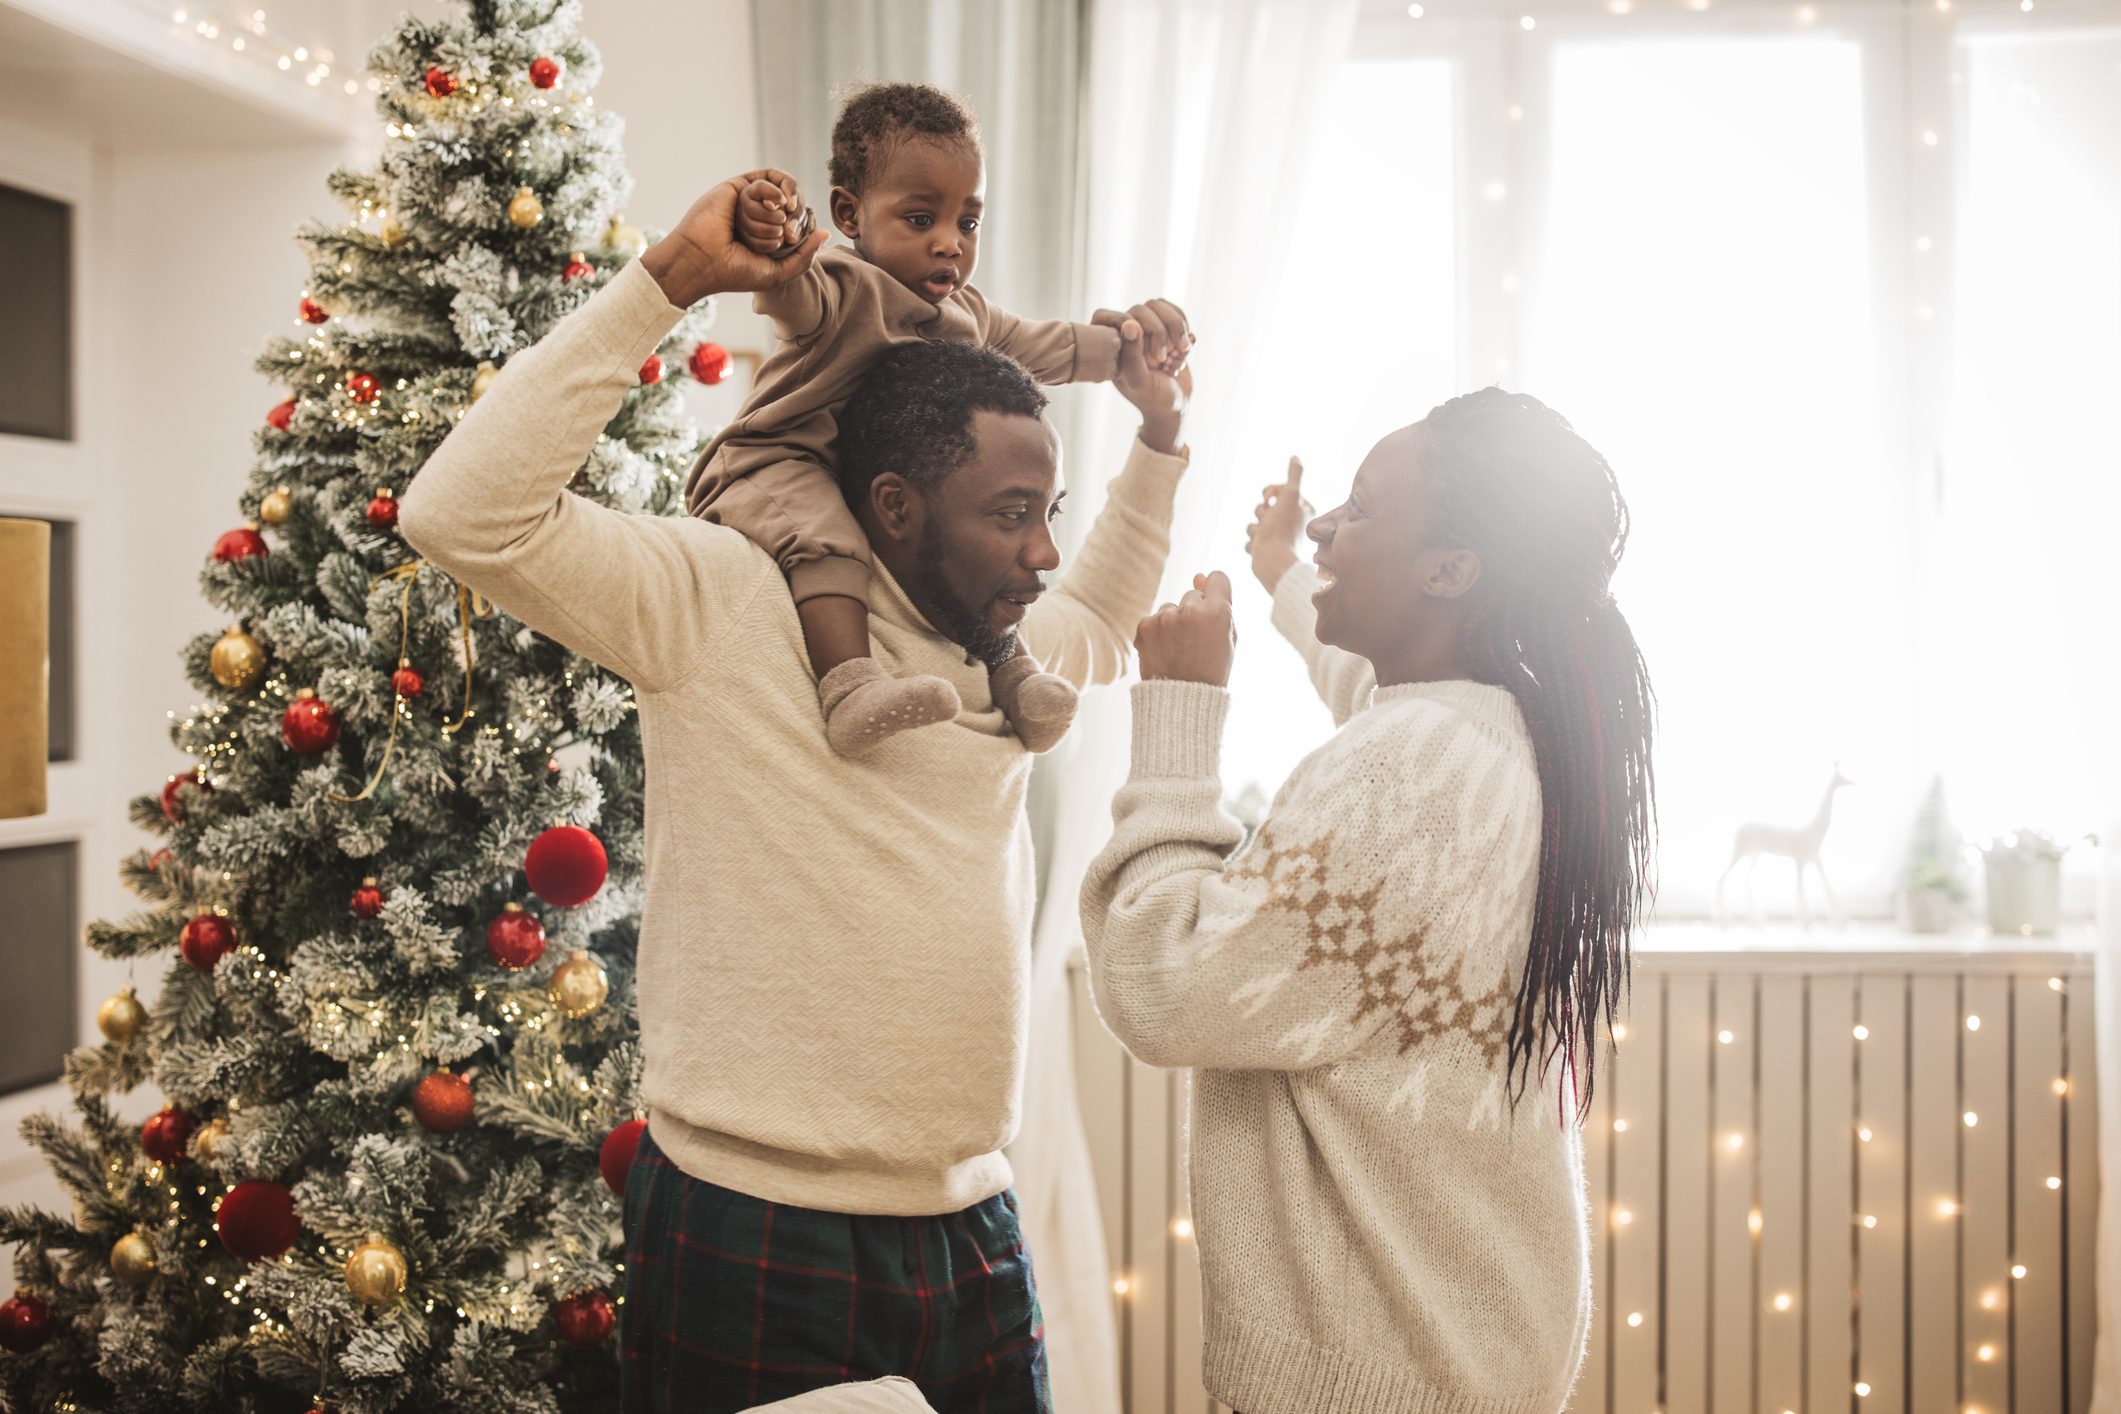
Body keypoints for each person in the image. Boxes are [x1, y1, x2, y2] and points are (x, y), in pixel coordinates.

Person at [398, 170, 1195, 1414]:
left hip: (971, 1211)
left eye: (1051, 514)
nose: (1042, 552)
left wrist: (1155, 438)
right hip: (755, 1216)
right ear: (892, 505)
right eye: (1011, 516)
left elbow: (1097, 609)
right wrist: (665, 282)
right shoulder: (719, 596)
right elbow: (463, 514)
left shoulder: (1007, 639)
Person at [1077, 392, 1658, 1414]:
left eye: (1362, 509)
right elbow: (1374, 694)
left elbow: (1164, 985)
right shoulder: (1506, 735)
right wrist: (1286, 580)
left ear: (1450, 569)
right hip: (1468, 1354)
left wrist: (1178, 713)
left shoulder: (1402, 770)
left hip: (1376, 1372)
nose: (1325, 525)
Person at [684, 81, 1190, 756]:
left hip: (869, 490)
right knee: (830, 542)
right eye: (921, 220)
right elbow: (789, 289)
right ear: (850, 214)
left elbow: (1052, 347)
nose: (950, 244)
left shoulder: (967, 315)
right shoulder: (839, 288)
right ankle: (849, 684)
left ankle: (1013, 673)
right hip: (780, 465)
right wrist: (772, 234)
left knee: (975, 575)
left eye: (967, 222)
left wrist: (1131, 348)